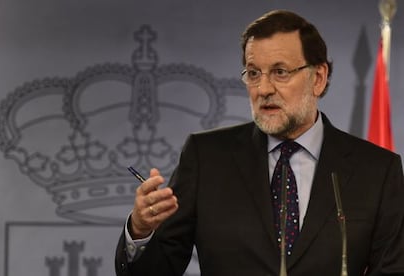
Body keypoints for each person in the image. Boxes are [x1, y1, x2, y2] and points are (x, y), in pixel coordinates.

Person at [115, 10, 404, 275]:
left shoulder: (377, 171)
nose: (263, 89)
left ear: (318, 78)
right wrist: (140, 231)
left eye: (280, 72)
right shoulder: (206, 159)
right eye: (254, 73)